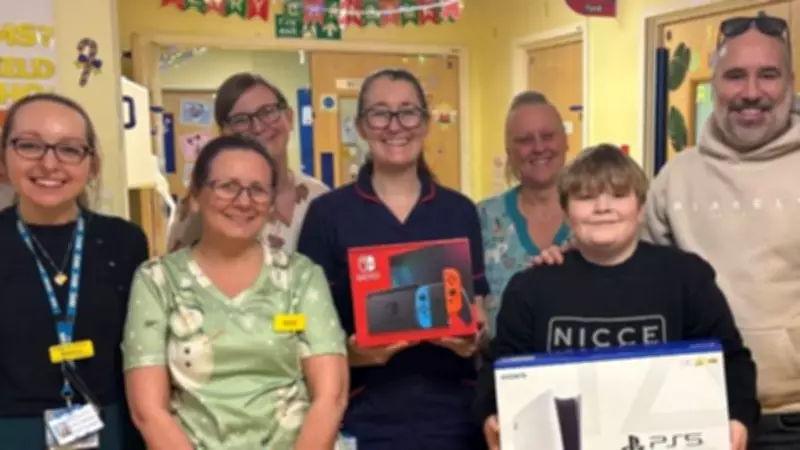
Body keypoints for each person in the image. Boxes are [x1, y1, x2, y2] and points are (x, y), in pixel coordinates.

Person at [533, 15, 800, 449]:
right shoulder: (675, 178)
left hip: (792, 418)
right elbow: (627, 273)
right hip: (690, 416)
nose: (751, 91)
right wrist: (565, 262)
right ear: (715, 83)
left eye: (768, 75)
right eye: (735, 76)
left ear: (790, 81)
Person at [476, 144, 759, 450]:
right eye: (586, 197)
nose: (602, 207)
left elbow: (731, 360)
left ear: (640, 208)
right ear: (567, 213)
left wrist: (739, 418)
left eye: (619, 195)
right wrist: (490, 414)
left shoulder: (686, 278)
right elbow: (499, 367)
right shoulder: (531, 288)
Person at [297, 68, 490, 450]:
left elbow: (477, 313)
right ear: (361, 126)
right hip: (362, 416)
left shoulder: (459, 211)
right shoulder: (328, 214)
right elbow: (301, 328)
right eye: (380, 113)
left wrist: (473, 339)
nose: (395, 125)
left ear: (426, 122)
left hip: (454, 417)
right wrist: (352, 354)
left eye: (408, 112)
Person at [123, 135, 348, 449]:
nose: (243, 201)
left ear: (271, 202)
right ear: (196, 196)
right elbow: (148, 411)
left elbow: (330, 396)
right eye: (227, 186)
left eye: (257, 189)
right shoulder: (158, 281)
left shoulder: (300, 276)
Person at [0, 93, 148, 449]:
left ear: (92, 164)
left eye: (69, 149)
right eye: (29, 145)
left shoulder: (125, 242)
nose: (49, 163)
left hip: (111, 427)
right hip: (12, 431)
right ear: (4, 157)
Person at [167, 72, 329, 253]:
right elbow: (180, 266)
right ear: (225, 133)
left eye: (268, 112)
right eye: (241, 120)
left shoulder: (320, 197)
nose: (258, 127)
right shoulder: (207, 202)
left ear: (289, 118)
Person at [477, 91, 570, 333]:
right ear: (509, 151)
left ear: (565, 141)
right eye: (525, 140)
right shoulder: (482, 219)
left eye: (548, 136)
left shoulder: (598, 216)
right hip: (500, 356)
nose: (538, 148)